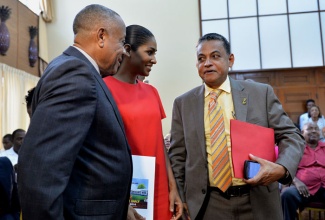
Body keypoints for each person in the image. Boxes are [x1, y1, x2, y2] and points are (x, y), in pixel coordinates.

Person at [168, 33, 305, 220]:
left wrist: (282, 168)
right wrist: (182, 197)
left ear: (230, 60)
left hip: (257, 199)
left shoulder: (260, 93)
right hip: (208, 204)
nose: (207, 63)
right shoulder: (183, 103)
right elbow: (177, 156)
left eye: (215, 56)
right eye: (201, 58)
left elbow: (291, 135)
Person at [17, 4, 132, 220]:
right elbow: (40, 173)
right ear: (101, 36)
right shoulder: (76, 74)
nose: (125, 52)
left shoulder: (74, 69)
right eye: (121, 42)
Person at [103, 24, 182, 220]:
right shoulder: (104, 89)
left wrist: (173, 188)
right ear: (128, 50)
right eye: (150, 52)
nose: (154, 60)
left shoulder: (152, 92)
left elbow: (159, 144)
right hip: (127, 188)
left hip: (159, 186)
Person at [281, 122, 325, 220]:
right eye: (310, 128)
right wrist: (296, 181)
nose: (313, 131)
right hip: (304, 189)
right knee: (287, 194)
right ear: (302, 132)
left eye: (316, 129)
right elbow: (286, 169)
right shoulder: (296, 149)